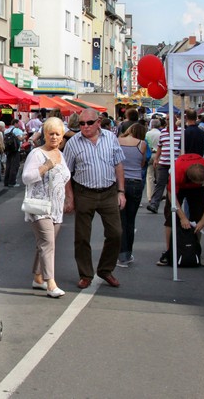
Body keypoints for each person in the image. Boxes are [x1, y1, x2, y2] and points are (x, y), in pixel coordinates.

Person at [62, 108, 125, 289]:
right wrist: (70, 197)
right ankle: (85, 274)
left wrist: (121, 191)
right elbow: (66, 173)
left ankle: (105, 269)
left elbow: (118, 164)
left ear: (98, 122)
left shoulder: (110, 138)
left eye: (89, 123)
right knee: (82, 237)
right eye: (81, 123)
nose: (85, 126)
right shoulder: (73, 143)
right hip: (84, 192)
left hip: (108, 192)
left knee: (115, 233)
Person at [22, 117, 72, 298]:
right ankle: (51, 283)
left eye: (57, 134)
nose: (54, 137)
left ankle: (38, 278)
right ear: (44, 134)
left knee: (44, 244)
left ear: (62, 136)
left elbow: (65, 178)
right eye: (50, 134)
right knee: (47, 243)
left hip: (56, 207)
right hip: (40, 206)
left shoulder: (60, 154)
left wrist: (68, 199)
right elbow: (26, 178)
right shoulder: (37, 154)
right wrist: (44, 167)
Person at [156, 152, 204, 267]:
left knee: (198, 215)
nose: (203, 183)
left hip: (196, 190)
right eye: (200, 183)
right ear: (191, 180)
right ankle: (169, 252)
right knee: (170, 217)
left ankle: (196, 251)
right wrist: (183, 217)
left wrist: (203, 220)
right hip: (178, 187)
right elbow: (172, 195)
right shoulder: (177, 173)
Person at [117, 123, 148, 267]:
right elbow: (142, 163)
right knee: (130, 221)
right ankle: (127, 254)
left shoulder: (117, 141)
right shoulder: (142, 144)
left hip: (120, 182)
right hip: (135, 182)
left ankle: (121, 254)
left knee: (120, 220)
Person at [146, 121, 182, 214]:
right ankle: (154, 204)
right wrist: (156, 159)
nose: (168, 121)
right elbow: (160, 146)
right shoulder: (163, 132)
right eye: (167, 119)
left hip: (176, 163)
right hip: (164, 162)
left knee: (175, 185)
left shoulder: (181, 132)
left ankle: (175, 205)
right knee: (160, 183)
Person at [3, 119, 24, 187]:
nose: (19, 125)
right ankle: (12, 182)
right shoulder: (17, 130)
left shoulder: (7, 130)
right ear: (15, 123)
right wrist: (24, 137)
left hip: (8, 150)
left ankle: (6, 181)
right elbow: (20, 138)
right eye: (18, 123)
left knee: (8, 165)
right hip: (15, 150)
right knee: (14, 166)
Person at [144, 118, 162, 203]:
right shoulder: (161, 133)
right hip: (159, 155)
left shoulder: (147, 133)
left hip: (150, 154)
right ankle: (158, 194)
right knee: (159, 176)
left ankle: (150, 196)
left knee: (149, 176)